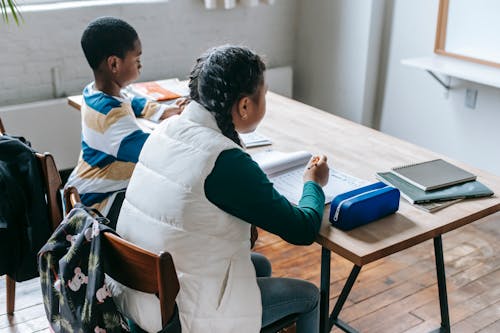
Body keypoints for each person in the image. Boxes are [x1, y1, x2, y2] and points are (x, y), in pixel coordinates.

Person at [110, 45, 329, 333]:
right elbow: (302, 229)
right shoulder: (225, 161)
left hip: (138, 296)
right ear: (244, 106)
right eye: (264, 95)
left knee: (259, 265)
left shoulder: (168, 128)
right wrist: (313, 182)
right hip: (178, 316)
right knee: (310, 296)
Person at [65, 16, 184, 222]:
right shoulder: (111, 117)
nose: (141, 65)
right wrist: (186, 124)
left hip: (87, 188)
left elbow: (131, 100)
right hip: (96, 205)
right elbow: (151, 151)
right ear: (114, 64)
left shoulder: (95, 93)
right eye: (137, 60)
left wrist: (163, 111)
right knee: (171, 207)